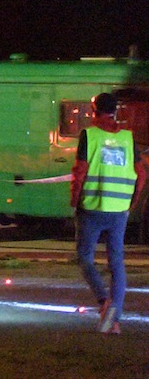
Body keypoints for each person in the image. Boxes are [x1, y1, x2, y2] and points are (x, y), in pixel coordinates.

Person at [71, 91, 146, 334]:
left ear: (94, 111)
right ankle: (114, 319)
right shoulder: (127, 138)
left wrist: (75, 199)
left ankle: (104, 302)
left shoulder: (89, 135)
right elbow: (142, 173)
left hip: (91, 208)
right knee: (116, 263)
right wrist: (131, 202)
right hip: (119, 212)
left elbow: (80, 170)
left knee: (84, 257)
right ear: (115, 111)